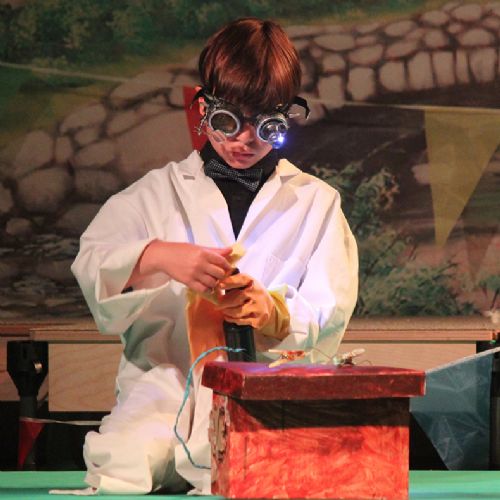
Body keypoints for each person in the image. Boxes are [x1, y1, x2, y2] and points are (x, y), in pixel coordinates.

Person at [71, 17, 358, 495]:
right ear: (204, 110)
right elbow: (93, 263)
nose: (245, 140)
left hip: (266, 393)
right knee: (124, 465)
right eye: (230, 121)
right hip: (168, 386)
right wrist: (158, 256)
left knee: (259, 475)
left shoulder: (316, 203)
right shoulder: (154, 196)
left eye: (266, 125)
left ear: (286, 119)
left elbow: (332, 307)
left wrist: (273, 313)